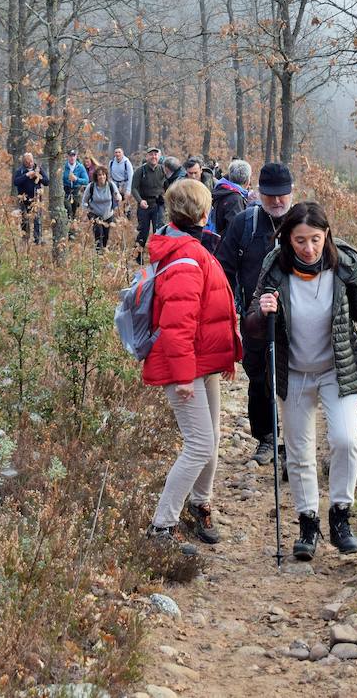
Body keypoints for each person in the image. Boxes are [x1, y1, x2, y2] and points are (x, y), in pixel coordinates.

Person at [246, 201, 357, 562]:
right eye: (300, 240)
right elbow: (252, 325)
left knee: (346, 440)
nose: (309, 248)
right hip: (295, 372)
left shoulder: (345, 267)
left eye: (315, 239)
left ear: (326, 235)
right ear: (287, 239)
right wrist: (263, 313)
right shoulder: (275, 270)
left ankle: (340, 516)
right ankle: (307, 522)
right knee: (300, 453)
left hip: (338, 369)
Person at [144, 179, 243, 549]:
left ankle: (200, 504)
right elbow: (176, 326)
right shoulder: (185, 258)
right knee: (199, 444)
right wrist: (184, 378)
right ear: (203, 212)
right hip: (186, 366)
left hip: (202, 362)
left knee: (211, 439)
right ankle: (161, 527)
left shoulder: (191, 248)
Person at [216, 161, 294, 465]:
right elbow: (223, 267)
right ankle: (266, 438)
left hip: (296, 319)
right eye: (270, 194)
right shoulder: (244, 223)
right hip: (254, 318)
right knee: (259, 377)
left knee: (293, 380)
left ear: (291, 193)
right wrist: (232, 308)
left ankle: (294, 443)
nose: (277, 201)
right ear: (259, 192)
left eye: (282, 195)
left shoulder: (303, 223)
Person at [132, 146, 166, 260]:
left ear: (159, 156)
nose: (154, 157)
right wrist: (140, 200)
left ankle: (158, 256)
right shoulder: (140, 171)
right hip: (144, 205)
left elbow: (169, 184)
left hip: (158, 204)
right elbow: (134, 188)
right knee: (143, 232)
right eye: (151, 154)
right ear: (147, 157)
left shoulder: (163, 170)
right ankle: (137, 256)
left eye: (156, 154)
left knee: (159, 231)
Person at [12, 152, 49, 244]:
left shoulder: (38, 169)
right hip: (24, 199)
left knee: (37, 220)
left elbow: (47, 182)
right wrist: (27, 175)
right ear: (24, 162)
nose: (30, 163)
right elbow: (16, 182)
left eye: (31, 161)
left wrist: (38, 176)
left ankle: (38, 240)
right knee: (24, 220)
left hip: (36, 199)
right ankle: (25, 239)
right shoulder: (20, 171)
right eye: (27, 162)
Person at [84, 164, 122, 251]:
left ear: (106, 176)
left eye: (103, 174)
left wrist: (118, 198)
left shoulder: (111, 185)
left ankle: (103, 254)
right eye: (99, 175)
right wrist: (86, 211)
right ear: (96, 177)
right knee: (98, 234)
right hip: (95, 214)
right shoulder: (91, 186)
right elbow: (84, 201)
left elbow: (118, 196)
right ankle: (98, 255)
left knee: (105, 237)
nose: (102, 177)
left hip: (108, 215)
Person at [210, 158, 252, 237]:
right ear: (247, 181)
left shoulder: (222, 190)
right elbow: (236, 230)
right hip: (225, 246)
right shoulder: (235, 199)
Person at [63, 148, 89, 225]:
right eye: (70, 156)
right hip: (66, 191)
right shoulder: (64, 166)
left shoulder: (80, 167)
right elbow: (58, 179)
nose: (72, 158)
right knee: (68, 210)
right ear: (67, 156)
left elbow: (86, 180)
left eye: (74, 156)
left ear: (76, 156)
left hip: (76, 191)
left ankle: (73, 233)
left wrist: (76, 179)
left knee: (75, 213)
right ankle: (67, 230)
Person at [109, 146, 134, 217]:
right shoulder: (111, 162)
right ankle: (115, 217)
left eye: (119, 152)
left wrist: (128, 190)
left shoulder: (127, 163)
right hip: (115, 184)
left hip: (124, 184)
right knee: (114, 202)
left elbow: (131, 176)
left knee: (126, 203)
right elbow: (109, 174)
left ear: (122, 153)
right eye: (116, 152)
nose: (117, 154)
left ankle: (127, 219)